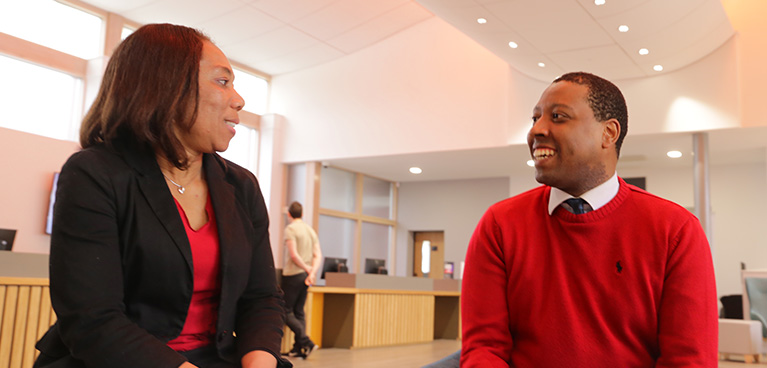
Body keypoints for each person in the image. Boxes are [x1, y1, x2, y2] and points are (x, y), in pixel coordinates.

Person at [33, 24, 291, 368]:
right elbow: (93, 319)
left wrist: (259, 361)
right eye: (222, 81)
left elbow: (261, 297)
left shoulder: (242, 185)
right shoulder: (94, 173)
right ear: (167, 86)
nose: (239, 99)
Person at [460, 72, 717, 367]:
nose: (537, 130)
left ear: (609, 133)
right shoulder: (499, 225)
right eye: (535, 119)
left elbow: (689, 360)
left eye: (558, 117)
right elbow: (484, 349)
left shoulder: (676, 231)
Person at [280, 202, 322, 358]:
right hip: (306, 276)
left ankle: (305, 341)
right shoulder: (310, 230)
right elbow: (318, 255)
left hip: (293, 274)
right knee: (298, 311)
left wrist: (306, 268)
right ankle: (298, 348)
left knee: (285, 310)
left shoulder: (290, 229)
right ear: (302, 214)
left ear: (289, 214)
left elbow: (293, 255)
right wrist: (311, 272)